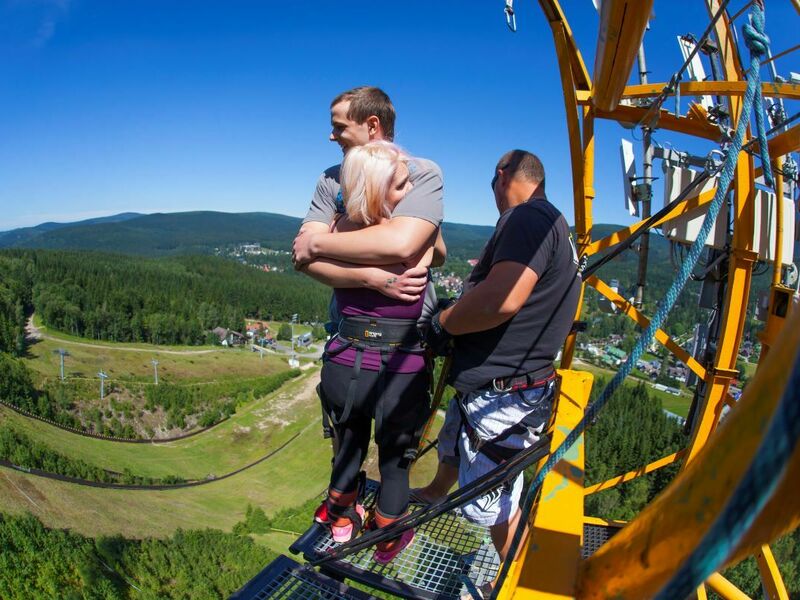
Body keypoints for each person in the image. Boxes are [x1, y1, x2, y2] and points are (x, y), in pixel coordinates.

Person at [422, 150, 581, 593]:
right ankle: (437, 489)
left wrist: (444, 324)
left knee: (491, 504)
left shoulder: (526, 217)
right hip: (505, 386)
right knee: (455, 437)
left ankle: (521, 581)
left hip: (503, 396)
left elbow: (504, 296)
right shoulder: (554, 224)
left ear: (502, 175)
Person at [312, 141, 433, 564]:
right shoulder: (416, 235)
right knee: (396, 463)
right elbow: (431, 250)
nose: (407, 191)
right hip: (402, 364)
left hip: (345, 359)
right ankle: (386, 541)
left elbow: (308, 254)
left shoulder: (337, 232)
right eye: (399, 184)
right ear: (379, 187)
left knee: (347, 447)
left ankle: (341, 519)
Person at [292, 86, 445, 304]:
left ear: (372, 125)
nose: (331, 136)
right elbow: (302, 258)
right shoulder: (331, 179)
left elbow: (401, 245)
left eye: (339, 127)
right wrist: (372, 278)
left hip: (406, 324)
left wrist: (317, 243)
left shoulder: (418, 172)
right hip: (347, 321)